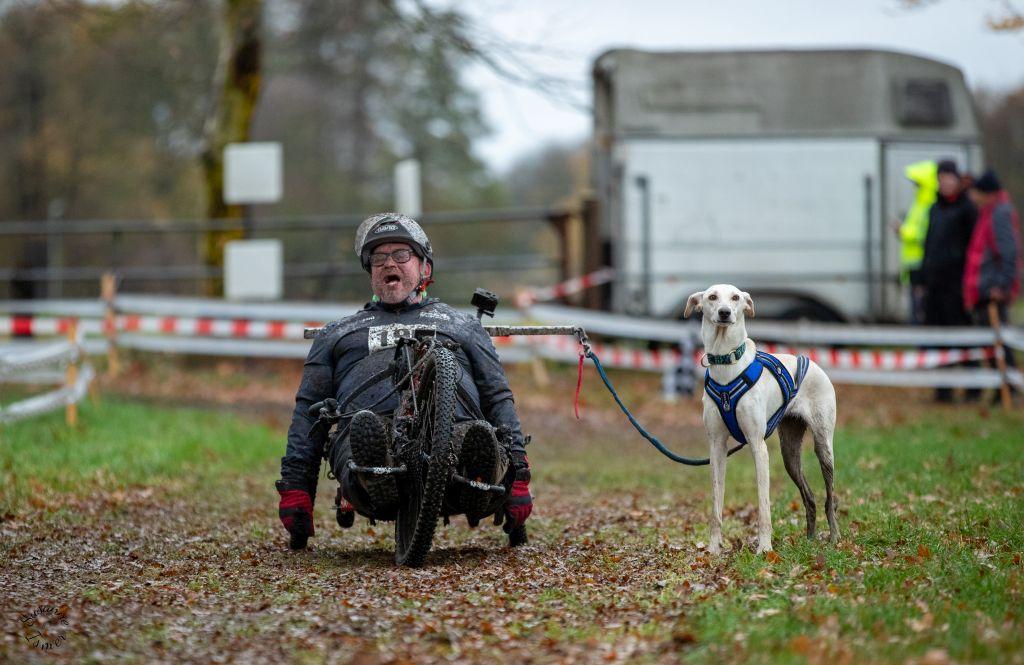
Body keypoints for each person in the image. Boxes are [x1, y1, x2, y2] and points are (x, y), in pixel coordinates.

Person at [276, 212, 533, 549]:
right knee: (364, 436)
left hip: (453, 433)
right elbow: (309, 409)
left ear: (424, 267)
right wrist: (297, 488)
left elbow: (498, 397)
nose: (388, 264)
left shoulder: (463, 326)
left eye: (401, 255)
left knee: (475, 438)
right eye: (379, 257)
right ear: (370, 271)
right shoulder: (337, 333)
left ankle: (477, 470)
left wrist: (520, 477)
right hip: (364, 433)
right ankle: (376, 466)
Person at [919, 159, 978, 402]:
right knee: (938, 339)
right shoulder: (934, 208)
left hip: (957, 286)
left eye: (949, 178)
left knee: (964, 339)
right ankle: (943, 389)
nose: (945, 183)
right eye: (941, 179)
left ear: (957, 180)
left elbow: (974, 249)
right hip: (935, 286)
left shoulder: (967, 210)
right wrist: (923, 278)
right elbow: (929, 244)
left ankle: (974, 387)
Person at [964, 169, 1021, 393]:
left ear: (987, 193)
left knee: (999, 344)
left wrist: (1002, 286)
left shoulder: (1000, 214)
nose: (973, 197)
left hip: (993, 293)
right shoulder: (987, 213)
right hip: (983, 290)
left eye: (976, 192)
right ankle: (1000, 389)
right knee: (989, 344)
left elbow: (1009, 253)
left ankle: (1006, 389)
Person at [898, 160, 939, 323]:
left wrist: (903, 231)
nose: (915, 187)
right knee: (915, 310)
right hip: (914, 267)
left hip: (922, 267)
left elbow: (924, 234)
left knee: (920, 311)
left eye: (917, 183)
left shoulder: (929, 205)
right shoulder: (919, 203)